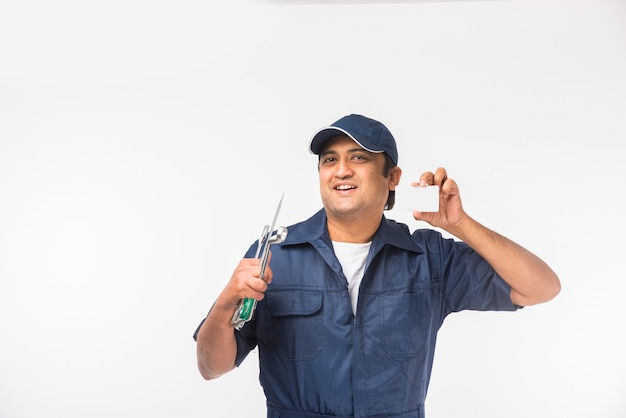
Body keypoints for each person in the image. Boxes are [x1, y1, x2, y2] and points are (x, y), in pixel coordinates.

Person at [193, 114, 561, 418]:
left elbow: (541, 287)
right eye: (329, 160)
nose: (341, 171)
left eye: (358, 158)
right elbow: (211, 367)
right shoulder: (274, 254)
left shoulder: (429, 258)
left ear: (392, 177)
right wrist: (227, 302)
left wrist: (459, 224)